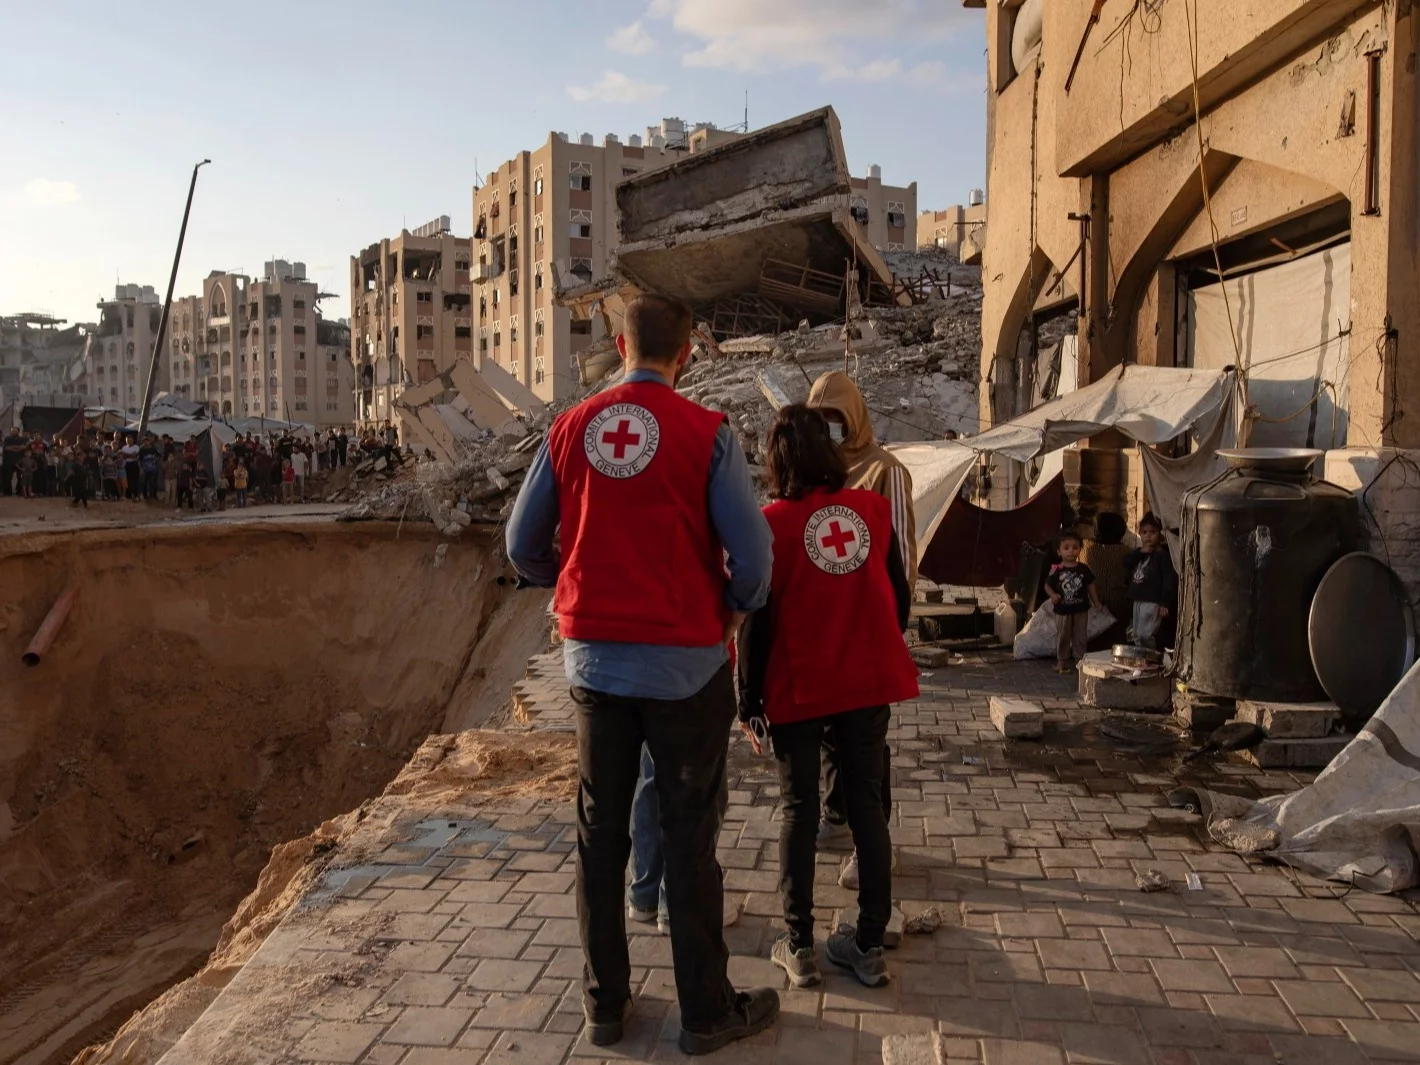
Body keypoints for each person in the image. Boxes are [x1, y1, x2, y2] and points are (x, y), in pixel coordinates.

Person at [506, 294, 779, 1056]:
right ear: (687, 353)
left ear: (618, 345)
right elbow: (755, 560)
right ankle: (705, 1012)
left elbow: (519, 543)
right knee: (690, 838)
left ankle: (605, 1007)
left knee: (600, 834)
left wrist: (573, 577)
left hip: (593, 664)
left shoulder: (568, 429)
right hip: (687, 667)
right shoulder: (706, 434)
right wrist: (735, 607)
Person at [738, 404, 918, 990]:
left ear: (778, 459)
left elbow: (757, 621)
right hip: (865, 681)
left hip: (801, 683)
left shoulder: (772, 524)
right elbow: (898, 595)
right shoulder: (871, 510)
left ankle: (799, 945)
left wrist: (748, 698)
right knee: (867, 805)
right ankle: (867, 944)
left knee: (798, 809)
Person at [805, 371, 916, 890]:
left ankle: (877, 843)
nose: (829, 428)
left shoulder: (883, 471)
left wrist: (892, 629)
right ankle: (835, 819)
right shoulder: (812, 473)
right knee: (828, 735)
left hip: (865, 635)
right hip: (820, 635)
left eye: (836, 418)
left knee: (866, 743)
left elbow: (903, 558)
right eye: (820, 418)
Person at [1046, 531, 1101, 672]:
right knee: (1063, 636)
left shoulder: (1083, 569)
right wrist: (1053, 595)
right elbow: (1047, 585)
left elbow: (1090, 586)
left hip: (1081, 609)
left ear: (1079, 550)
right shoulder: (1056, 570)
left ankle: (1079, 661)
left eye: (1075, 547)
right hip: (1062, 610)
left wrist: (1096, 602)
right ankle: (1061, 662)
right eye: (1066, 547)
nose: (1071, 550)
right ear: (1059, 551)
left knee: (1080, 636)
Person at [1124, 513, 1177, 649]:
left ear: (1160, 533)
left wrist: (1164, 603)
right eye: (1144, 532)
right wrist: (1141, 552)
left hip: (1152, 600)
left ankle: (1151, 656)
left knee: (1146, 634)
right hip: (1138, 599)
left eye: (1153, 532)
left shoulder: (1163, 557)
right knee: (1136, 633)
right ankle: (1140, 659)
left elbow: (1168, 581)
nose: (1148, 536)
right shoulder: (1139, 554)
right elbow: (1126, 563)